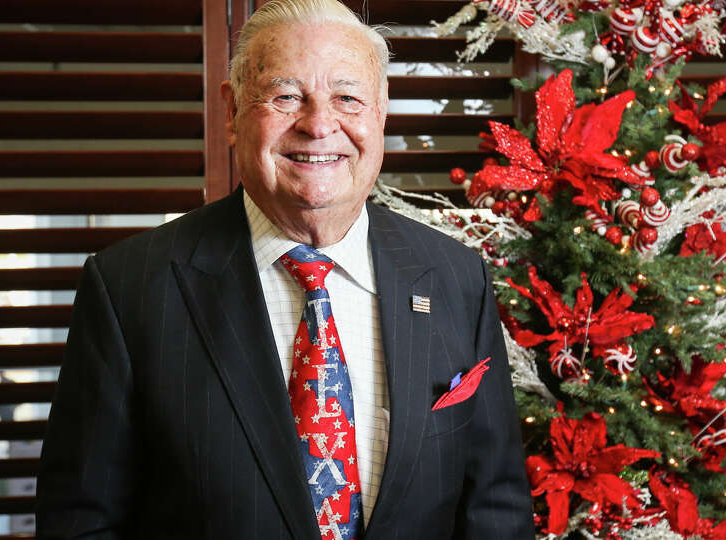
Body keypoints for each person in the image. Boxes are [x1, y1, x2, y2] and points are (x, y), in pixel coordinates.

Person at [36, 0, 534, 538]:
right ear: (231, 112)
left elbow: (495, 511)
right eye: (286, 96)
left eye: (347, 98)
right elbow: (80, 524)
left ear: (381, 111)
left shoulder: (457, 278)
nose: (320, 124)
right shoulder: (130, 288)